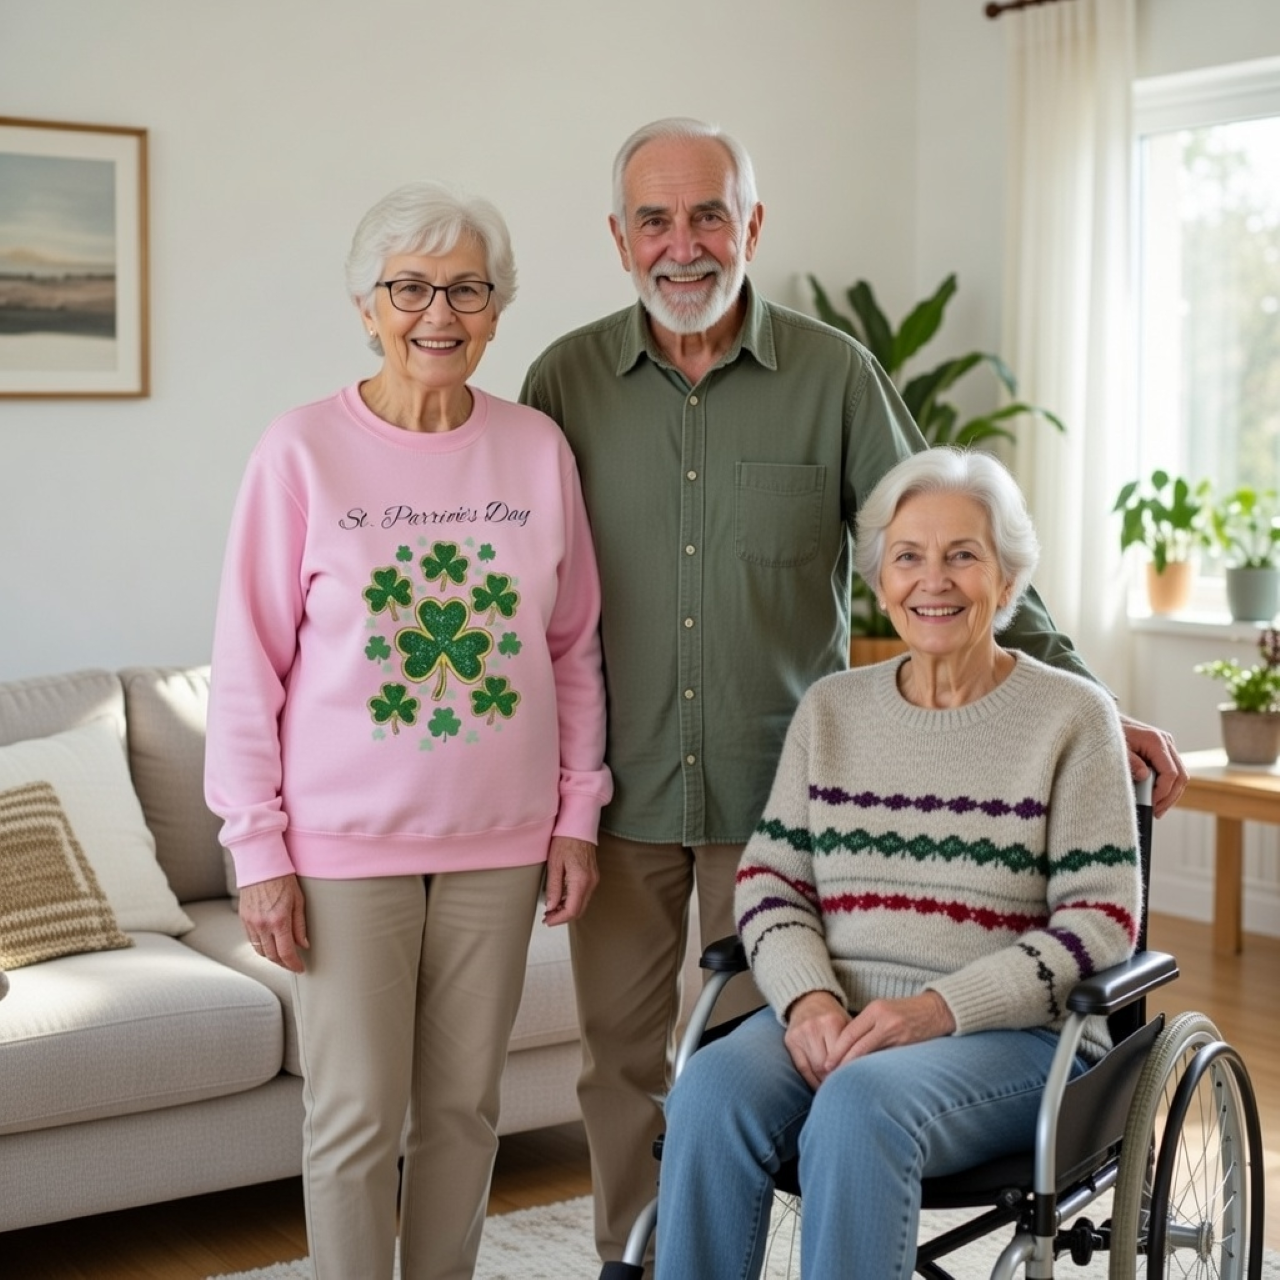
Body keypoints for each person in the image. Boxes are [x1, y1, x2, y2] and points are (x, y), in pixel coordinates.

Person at [518, 115, 1186, 1270]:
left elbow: (941, 535)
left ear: (751, 224)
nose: (683, 243)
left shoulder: (831, 375)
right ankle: (638, 1258)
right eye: (654, 220)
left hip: (783, 791)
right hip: (618, 785)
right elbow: (529, 589)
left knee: (785, 1057)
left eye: (709, 214)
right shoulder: (562, 380)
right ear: (619, 239)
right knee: (622, 1062)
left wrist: (1083, 697)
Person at [204, 181, 611, 1280]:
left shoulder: (536, 448)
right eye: (410, 288)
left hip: (502, 841)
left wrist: (577, 813)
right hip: (343, 848)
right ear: (366, 305)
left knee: (464, 1111)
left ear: (496, 309)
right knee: (353, 1118)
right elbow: (247, 664)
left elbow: (572, 644)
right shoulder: (299, 451)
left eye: (467, 289)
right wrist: (257, 848)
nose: (439, 313)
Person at [654, 446, 1143, 1278]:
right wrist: (808, 998)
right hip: (840, 1017)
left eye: (963, 556)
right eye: (909, 557)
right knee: (709, 1088)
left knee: (860, 1105)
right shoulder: (832, 709)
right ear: (880, 580)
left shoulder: (1071, 718)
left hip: (1018, 1038)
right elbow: (772, 885)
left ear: (1008, 580)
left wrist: (938, 1010)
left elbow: (1100, 922)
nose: (933, 581)